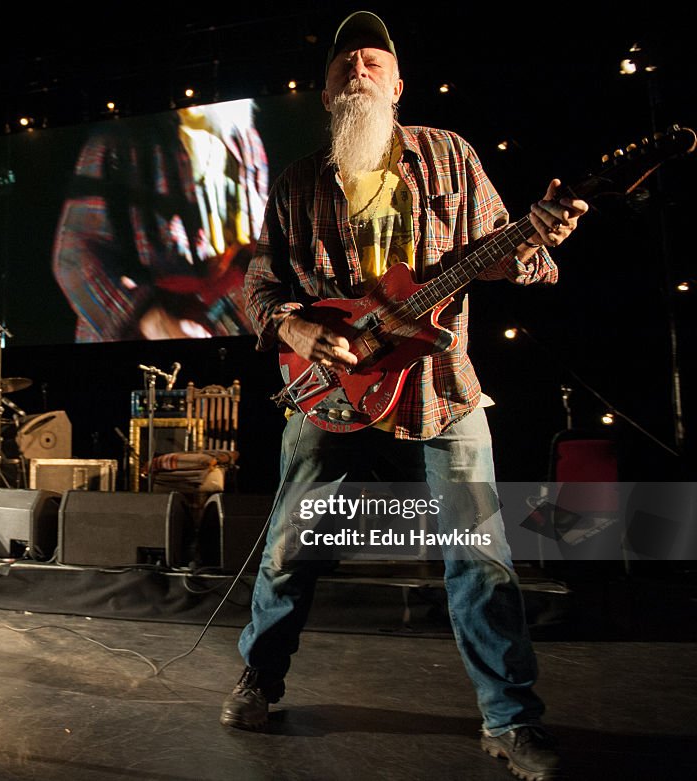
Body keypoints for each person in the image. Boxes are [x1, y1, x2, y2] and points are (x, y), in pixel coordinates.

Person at [221, 11, 588, 781]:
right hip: (325, 389)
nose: (358, 67)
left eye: (373, 60)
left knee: (480, 555)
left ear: (397, 85)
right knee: (289, 548)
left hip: (437, 387)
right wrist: (296, 331)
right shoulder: (295, 185)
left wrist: (535, 238)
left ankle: (510, 718)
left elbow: (500, 257)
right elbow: (258, 285)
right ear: (325, 93)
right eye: (343, 63)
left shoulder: (451, 158)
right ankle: (260, 675)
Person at [52, 99, 269, 342]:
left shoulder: (244, 138)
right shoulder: (120, 141)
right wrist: (156, 322)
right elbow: (73, 257)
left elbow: (257, 242)